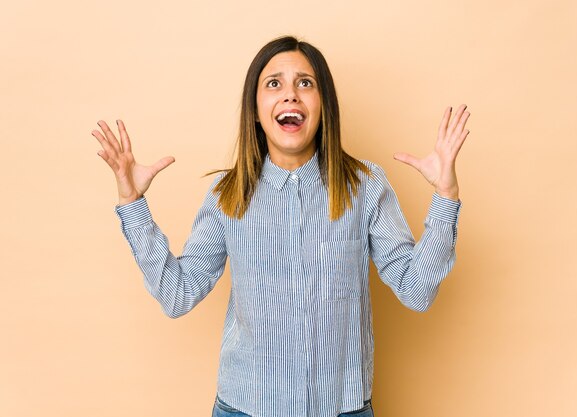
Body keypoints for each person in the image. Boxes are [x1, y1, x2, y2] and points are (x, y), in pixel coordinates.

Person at [90, 35, 470, 417]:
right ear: (255, 110)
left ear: (324, 107)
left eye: (305, 83)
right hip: (245, 408)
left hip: (342, 408)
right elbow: (177, 295)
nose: (291, 95)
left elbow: (417, 291)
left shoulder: (365, 185)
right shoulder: (227, 195)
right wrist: (133, 205)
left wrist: (445, 196)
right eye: (274, 84)